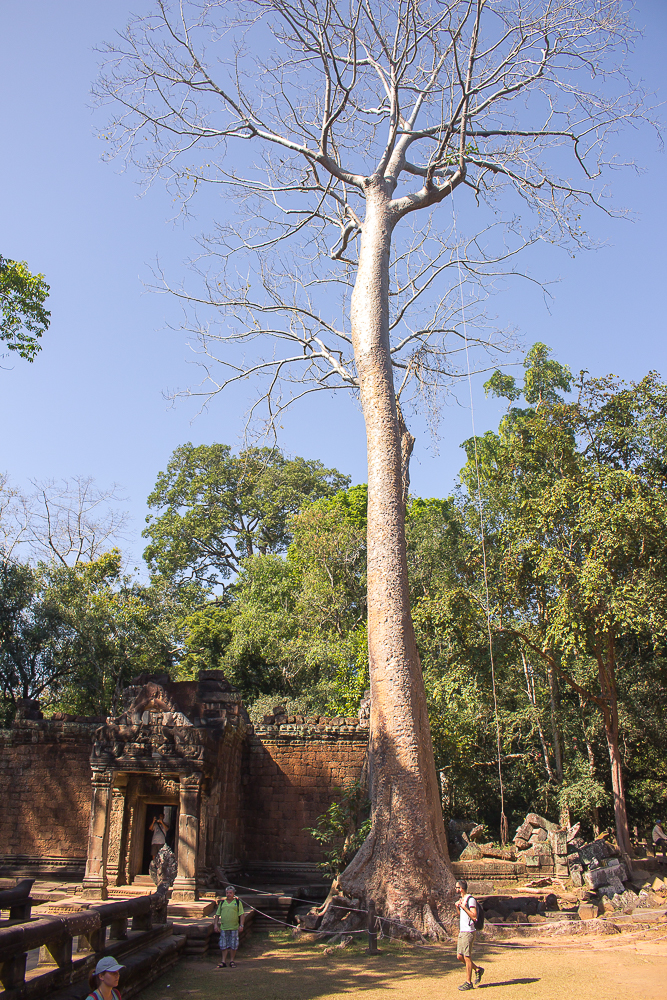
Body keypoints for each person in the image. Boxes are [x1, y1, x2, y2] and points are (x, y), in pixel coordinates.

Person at [455, 879, 484, 991]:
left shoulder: (470, 900)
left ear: (461, 888)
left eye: (457, 887)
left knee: (467, 957)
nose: (456, 889)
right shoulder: (462, 899)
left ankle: (468, 982)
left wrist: (464, 907)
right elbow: (461, 915)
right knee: (459, 956)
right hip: (462, 931)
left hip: (469, 931)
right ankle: (477, 969)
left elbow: (474, 916)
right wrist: (458, 907)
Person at [213, 885, 246, 968]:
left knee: (233, 945)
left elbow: (242, 915)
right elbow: (217, 915)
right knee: (223, 945)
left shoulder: (238, 903)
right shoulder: (222, 903)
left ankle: (232, 960)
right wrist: (216, 925)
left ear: (234, 894)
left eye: (230, 893)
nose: (228, 894)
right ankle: (223, 961)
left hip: (234, 927)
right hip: (224, 927)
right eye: (227, 893)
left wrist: (241, 925)